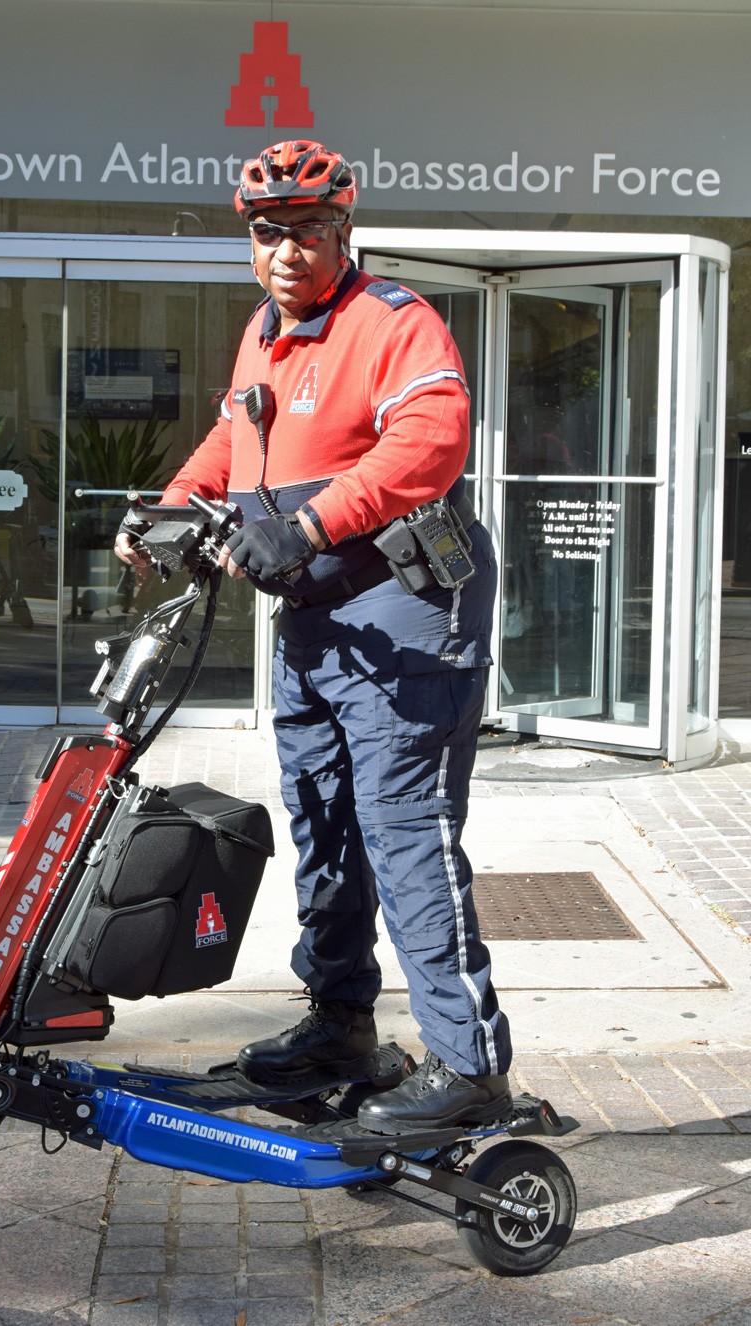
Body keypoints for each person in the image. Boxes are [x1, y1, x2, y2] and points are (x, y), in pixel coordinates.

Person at [115, 139, 511, 1133]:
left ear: (343, 231)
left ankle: (469, 1073)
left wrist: (307, 526)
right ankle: (339, 1025)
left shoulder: (391, 322)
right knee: (323, 825)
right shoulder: (262, 331)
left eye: (310, 230)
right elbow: (233, 436)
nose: (288, 250)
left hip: (405, 613)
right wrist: (168, 509)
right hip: (313, 615)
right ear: (249, 241)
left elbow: (429, 439)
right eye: (269, 232)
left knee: (404, 831)